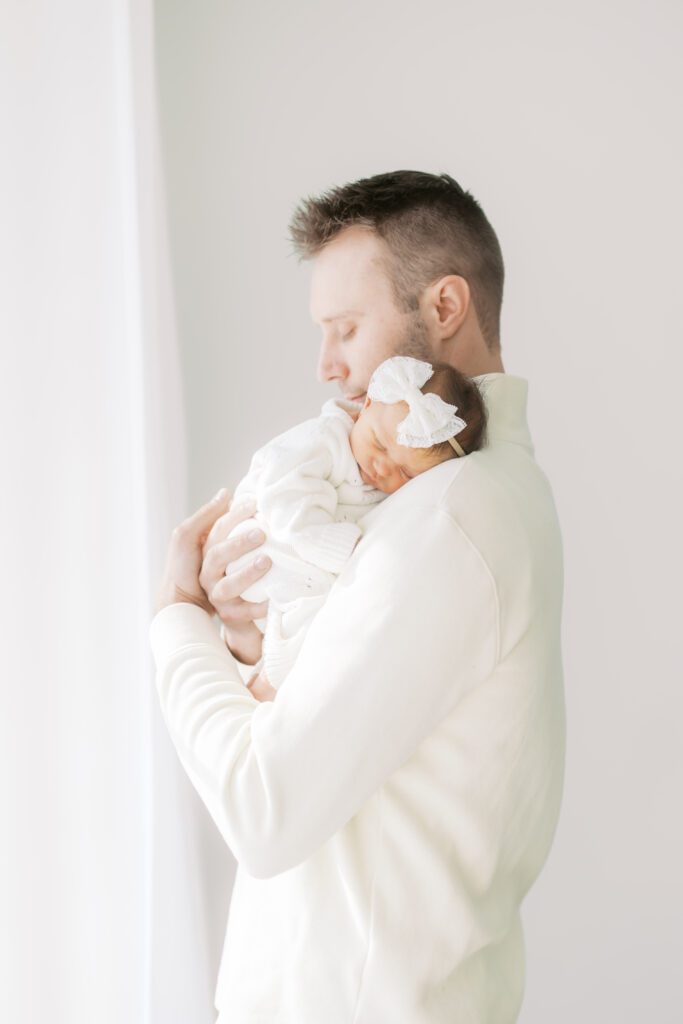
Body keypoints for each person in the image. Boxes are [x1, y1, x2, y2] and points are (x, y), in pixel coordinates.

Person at [150, 170, 566, 1023]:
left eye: (346, 327)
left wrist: (177, 621)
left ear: (444, 306)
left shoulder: (452, 515)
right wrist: (247, 645)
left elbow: (265, 811)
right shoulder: (442, 504)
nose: (325, 364)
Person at [221, 354, 488, 694]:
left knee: (326, 612)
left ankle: (268, 672)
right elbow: (284, 495)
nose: (382, 467)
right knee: (314, 606)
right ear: (367, 404)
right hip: (264, 535)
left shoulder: (390, 491)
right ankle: (270, 682)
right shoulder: (325, 438)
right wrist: (340, 548)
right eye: (378, 442)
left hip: (285, 564)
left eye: (405, 473)